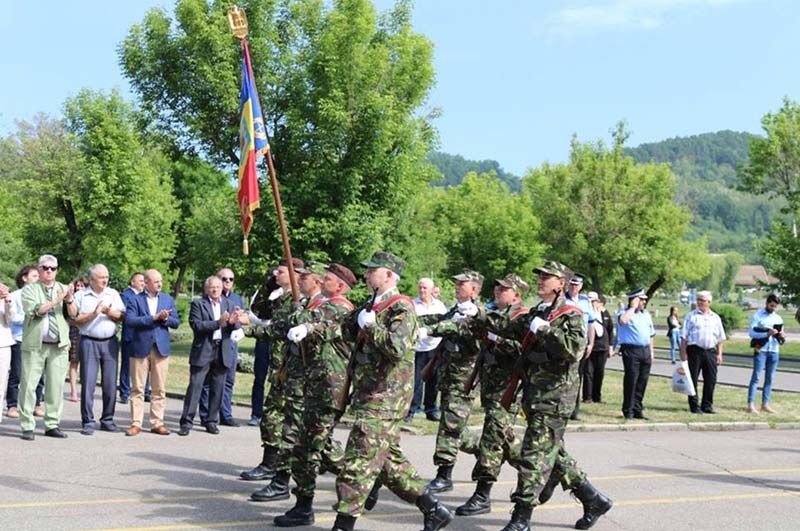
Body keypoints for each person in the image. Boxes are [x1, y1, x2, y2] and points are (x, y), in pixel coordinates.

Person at [331, 251, 453, 531]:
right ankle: (432, 508)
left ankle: (343, 525)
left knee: (359, 461)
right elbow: (346, 329)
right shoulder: (372, 303)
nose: (366, 274)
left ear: (388, 275)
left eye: (372, 270)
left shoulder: (402, 308)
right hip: (368, 393)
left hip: (385, 397)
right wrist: (357, 321)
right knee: (387, 462)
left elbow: (397, 348)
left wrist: (372, 327)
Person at [495, 260, 612, 531]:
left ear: (561, 283)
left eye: (547, 277)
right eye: (539, 276)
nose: (540, 280)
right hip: (536, 395)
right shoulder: (540, 310)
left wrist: (546, 331)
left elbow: (573, 350)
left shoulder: (570, 314)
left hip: (555, 398)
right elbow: (509, 325)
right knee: (551, 451)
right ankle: (593, 498)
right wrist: (476, 317)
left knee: (533, 455)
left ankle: (521, 519)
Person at [250, 261, 344, 503]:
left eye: (304, 277)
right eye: (298, 277)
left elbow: (314, 327)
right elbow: (280, 327)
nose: (298, 280)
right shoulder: (306, 303)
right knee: (301, 435)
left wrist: (300, 316)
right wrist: (248, 330)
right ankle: (284, 483)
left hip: (314, 382)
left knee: (307, 437)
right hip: (297, 377)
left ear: (317, 282)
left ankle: (358, 476)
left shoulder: (328, 307)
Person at [274, 263, 356, 527]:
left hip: (331, 388)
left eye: (328, 279)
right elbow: (298, 322)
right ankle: (304, 504)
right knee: (310, 447)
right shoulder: (321, 304)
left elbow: (322, 324)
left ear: (340, 286)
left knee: (313, 447)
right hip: (314, 385)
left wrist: (305, 321)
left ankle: (366, 478)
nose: (322, 281)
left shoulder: (340, 307)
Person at [450, 273, 529, 517]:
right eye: (497, 287)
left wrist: (495, 339)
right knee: (508, 443)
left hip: (507, 390)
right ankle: (560, 472)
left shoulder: (521, 316)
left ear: (516, 295)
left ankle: (482, 495)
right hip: (492, 388)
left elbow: (521, 349)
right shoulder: (497, 314)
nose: (498, 290)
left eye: (504, 289)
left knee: (491, 442)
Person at [418, 270, 485, 498]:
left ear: (474, 289)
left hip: (464, 379)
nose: (456, 287)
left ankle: (444, 475)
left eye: (461, 284)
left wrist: (427, 330)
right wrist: (413, 321)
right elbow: (441, 320)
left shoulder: (478, 313)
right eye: (456, 284)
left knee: (450, 425)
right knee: (453, 426)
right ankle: (484, 448)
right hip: (449, 376)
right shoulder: (457, 310)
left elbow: (453, 328)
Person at [240, 258, 303, 482]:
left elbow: (278, 329)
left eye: (281, 271)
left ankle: (276, 465)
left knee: (283, 419)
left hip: (294, 368)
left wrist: (248, 331)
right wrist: (269, 284)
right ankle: (273, 463)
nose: (276, 273)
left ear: (295, 274)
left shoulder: (298, 300)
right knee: (275, 417)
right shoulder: (280, 297)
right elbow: (260, 310)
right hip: (279, 366)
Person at [19, 254, 78, 440]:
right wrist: (55, 301)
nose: (49, 271)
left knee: (56, 386)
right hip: (35, 345)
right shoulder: (29, 290)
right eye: (45, 268)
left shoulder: (62, 288)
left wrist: (68, 299)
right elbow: (36, 311)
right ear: (39, 269)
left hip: (58, 345)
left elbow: (74, 315)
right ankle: (27, 424)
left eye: (53, 268)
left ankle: (52, 424)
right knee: (29, 385)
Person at [178, 276, 242, 436]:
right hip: (204, 349)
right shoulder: (198, 304)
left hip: (222, 350)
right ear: (207, 289)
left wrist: (233, 322)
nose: (215, 290)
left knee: (218, 388)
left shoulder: (229, 304)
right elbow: (196, 325)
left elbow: (237, 325)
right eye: (212, 287)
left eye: (218, 287)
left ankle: (211, 421)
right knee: (195, 387)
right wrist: (217, 323)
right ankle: (186, 422)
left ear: (222, 289)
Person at [123, 268, 180, 436]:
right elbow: (131, 321)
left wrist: (166, 319)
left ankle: (157, 422)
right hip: (140, 348)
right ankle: (136, 423)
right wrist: (154, 318)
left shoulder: (167, 299)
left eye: (161, 281)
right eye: (156, 282)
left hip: (160, 349)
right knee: (138, 388)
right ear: (146, 283)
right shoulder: (135, 300)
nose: (160, 284)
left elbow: (176, 322)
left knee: (159, 388)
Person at [72, 265, 125, 434]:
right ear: (91, 279)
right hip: (88, 341)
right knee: (88, 382)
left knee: (110, 383)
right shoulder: (81, 295)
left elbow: (122, 316)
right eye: (101, 277)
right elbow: (75, 319)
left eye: (107, 277)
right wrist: (94, 314)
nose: (105, 280)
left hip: (110, 342)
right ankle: (88, 421)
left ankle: (108, 419)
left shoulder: (113, 294)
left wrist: (108, 311)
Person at [198, 267, 245, 427]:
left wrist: (237, 321)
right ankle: (206, 416)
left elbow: (241, 319)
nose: (228, 282)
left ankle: (226, 414)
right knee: (206, 382)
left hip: (229, 344)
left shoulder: (236, 299)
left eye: (231, 279)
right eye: (224, 279)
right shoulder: (206, 298)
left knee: (228, 380)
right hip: (210, 345)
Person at [6, 265, 45, 419]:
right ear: (24, 278)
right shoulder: (15, 296)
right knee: (17, 373)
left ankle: (37, 404)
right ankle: (12, 405)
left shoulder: (41, 296)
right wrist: (30, 318)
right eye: (34, 276)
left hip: (38, 338)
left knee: (39, 374)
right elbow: (12, 318)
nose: (37, 279)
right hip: (19, 338)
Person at [408, 277, 447, 422]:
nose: (422, 290)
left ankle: (431, 409)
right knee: (415, 381)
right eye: (420, 287)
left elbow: (445, 323)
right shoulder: (412, 304)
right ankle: (411, 410)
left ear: (432, 290)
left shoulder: (440, 306)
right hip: (417, 348)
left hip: (434, 347)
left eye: (425, 288)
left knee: (434, 381)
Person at [680, 290, 726, 414]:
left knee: (711, 379)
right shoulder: (691, 316)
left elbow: (721, 338)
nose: (700, 302)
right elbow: (684, 337)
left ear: (709, 302)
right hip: (695, 350)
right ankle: (694, 405)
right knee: (693, 379)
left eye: (703, 300)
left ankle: (707, 405)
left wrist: (719, 353)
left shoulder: (715, 318)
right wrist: (683, 353)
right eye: (698, 299)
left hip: (710, 351)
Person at [616, 288, 655, 420]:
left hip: (645, 350)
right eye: (641, 299)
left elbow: (651, 334)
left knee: (642, 381)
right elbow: (623, 321)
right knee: (631, 380)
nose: (644, 301)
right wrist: (632, 307)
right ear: (634, 300)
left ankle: (638, 408)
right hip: (631, 350)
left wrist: (651, 351)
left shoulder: (646, 315)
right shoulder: (624, 313)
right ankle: (628, 410)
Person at [747, 293, 784, 414]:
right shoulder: (757, 316)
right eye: (771, 305)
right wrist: (766, 334)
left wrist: (781, 335)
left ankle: (765, 404)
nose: (773, 308)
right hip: (761, 349)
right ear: (767, 303)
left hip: (774, 350)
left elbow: (781, 334)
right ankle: (751, 405)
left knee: (770, 378)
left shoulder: (778, 318)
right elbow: (752, 333)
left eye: (775, 306)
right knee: (756, 377)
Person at [565, 274, 595, 421]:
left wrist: (591, 343)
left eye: (576, 285)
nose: (573, 287)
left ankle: (574, 410)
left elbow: (591, 324)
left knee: (578, 377)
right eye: (571, 284)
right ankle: (564, 407)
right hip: (566, 344)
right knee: (565, 376)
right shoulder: (562, 300)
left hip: (582, 345)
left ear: (581, 286)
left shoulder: (585, 302)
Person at [119, 272, 147, 405]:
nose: (143, 283)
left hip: (143, 336)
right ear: (132, 282)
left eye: (144, 281)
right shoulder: (126, 295)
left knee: (144, 365)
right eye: (140, 281)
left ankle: (145, 391)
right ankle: (124, 392)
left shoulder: (145, 296)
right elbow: (128, 314)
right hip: (130, 336)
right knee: (126, 365)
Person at [582, 292, 614, 404]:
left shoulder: (604, 312)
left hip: (602, 346)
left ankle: (597, 397)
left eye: (594, 301)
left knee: (599, 372)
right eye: (590, 301)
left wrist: (610, 346)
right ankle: (587, 397)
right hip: (590, 347)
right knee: (588, 373)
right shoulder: (585, 312)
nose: (592, 303)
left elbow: (610, 328)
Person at [67, 276, 87, 403]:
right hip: (74, 333)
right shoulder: (70, 300)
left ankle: (85, 390)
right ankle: (73, 391)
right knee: (74, 362)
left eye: (82, 285)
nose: (79, 288)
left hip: (86, 333)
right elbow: (69, 318)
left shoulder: (88, 299)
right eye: (77, 285)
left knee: (87, 364)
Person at [0, 282, 14, 423]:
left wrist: (7, 301)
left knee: (1, 385)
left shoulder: (6, 298)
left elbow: (10, 319)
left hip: (3, 345)